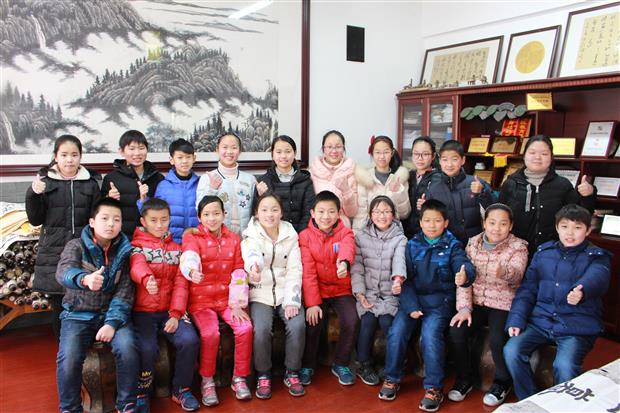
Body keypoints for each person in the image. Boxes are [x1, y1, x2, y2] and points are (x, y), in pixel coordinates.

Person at [504, 204, 611, 400]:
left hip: (576, 326)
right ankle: (529, 399)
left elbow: (598, 277)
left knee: (565, 366)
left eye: (577, 228)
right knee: (511, 350)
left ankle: (564, 406)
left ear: (588, 230)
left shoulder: (597, 256)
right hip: (540, 322)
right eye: (564, 226)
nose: (570, 233)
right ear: (556, 228)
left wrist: (582, 290)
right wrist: (516, 320)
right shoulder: (544, 253)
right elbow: (527, 290)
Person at [380, 199, 475, 412]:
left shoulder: (453, 245)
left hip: (440, 303)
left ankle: (434, 388)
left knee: (430, 336)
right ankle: (392, 377)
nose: (432, 225)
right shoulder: (412, 245)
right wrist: (411, 306)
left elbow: (464, 266)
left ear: (446, 222)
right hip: (413, 299)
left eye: (437, 221)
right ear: (420, 222)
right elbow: (405, 278)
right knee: (397, 332)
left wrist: (465, 275)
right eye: (428, 220)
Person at [55, 198, 138, 413]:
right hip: (78, 313)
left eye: (116, 220)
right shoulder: (76, 245)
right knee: (69, 358)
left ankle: (127, 404)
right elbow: (63, 273)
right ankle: (70, 408)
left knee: (128, 348)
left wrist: (112, 323)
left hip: (112, 314)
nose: (111, 224)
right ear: (92, 222)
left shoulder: (126, 250)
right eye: (105, 218)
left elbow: (125, 292)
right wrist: (84, 279)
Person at [448, 203, 528, 407]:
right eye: (492, 222)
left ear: (511, 226)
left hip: (503, 302)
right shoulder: (472, 243)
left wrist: (505, 272)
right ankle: (464, 379)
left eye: (503, 224)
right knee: (457, 331)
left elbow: (518, 275)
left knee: (497, 338)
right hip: (475, 302)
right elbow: (465, 278)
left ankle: (502, 382)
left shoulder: (518, 246)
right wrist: (464, 308)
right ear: (484, 223)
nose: (496, 228)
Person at [177, 195, 253, 406]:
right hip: (201, 302)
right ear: (199, 217)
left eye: (216, 213)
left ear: (224, 214)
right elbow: (189, 257)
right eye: (207, 214)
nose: (212, 218)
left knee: (245, 327)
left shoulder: (234, 239)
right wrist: (191, 271)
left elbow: (239, 270)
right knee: (210, 333)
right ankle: (207, 380)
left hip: (227, 300)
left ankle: (239, 378)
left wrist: (237, 303)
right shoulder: (192, 238)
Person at [25, 134, 101, 339]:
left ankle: (84, 345)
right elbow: (35, 219)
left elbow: (96, 219)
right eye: (64, 155)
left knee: (85, 299)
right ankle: (64, 347)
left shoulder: (90, 183)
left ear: (80, 157)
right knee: (59, 304)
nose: (69, 160)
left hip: (83, 250)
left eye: (74, 155)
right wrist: (33, 194)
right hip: (54, 252)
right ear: (56, 156)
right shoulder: (44, 182)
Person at [130, 198, 200, 412]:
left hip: (170, 311)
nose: (160, 225)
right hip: (143, 312)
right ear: (143, 221)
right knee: (147, 348)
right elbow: (136, 266)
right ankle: (142, 392)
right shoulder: (136, 246)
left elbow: (181, 284)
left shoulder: (177, 249)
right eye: (154, 220)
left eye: (164, 219)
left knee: (189, 340)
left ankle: (182, 389)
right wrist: (146, 279)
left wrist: (176, 314)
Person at [241, 193, 306, 399]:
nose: (270, 214)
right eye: (264, 210)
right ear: (256, 213)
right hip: (260, 291)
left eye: (274, 210)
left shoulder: (291, 235)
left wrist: (292, 300)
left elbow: (295, 269)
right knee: (260, 329)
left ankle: (292, 372)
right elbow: (251, 254)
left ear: (281, 212)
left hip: (287, 291)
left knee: (297, 324)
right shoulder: (250, 235)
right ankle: (263, 374)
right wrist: (254, 267)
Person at [298, 191, 358, 386]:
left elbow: (347, 249)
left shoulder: (346, 233)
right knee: (313, 322)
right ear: (312, 213)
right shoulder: (305, 237)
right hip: (318, 289)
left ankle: (341, 363)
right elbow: (308, 273)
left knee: (352, 320)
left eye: (331, 211)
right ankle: (307, 365)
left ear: (339, 213)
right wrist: (312, 303)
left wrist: (344, 263)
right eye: (321, 211)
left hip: (341, 289)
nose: (326, 216)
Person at [499, 135, 596, 255]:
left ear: (551, 157)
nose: (537, 157)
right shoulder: (510, 184)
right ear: (524, 155)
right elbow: (499, 216)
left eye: (544, 154)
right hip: (515, 253)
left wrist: (589, 195)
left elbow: (581, 217)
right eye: (532, 152)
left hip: (552, 253)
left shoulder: (563, 185)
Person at [351, 196, 407, 386]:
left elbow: (399, 261)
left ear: (393, 215)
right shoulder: (361, 237)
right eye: (377, 211)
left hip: (390, 293)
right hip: (367, 293)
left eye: (386, 211)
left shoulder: (400, 238)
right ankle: (363, 364)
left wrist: (398, 280)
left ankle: (392, 364)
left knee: (387, 322)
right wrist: (360, 294)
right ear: (370, 215)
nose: (381, 216)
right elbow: (357, 268)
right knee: (367, 322)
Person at [422, 140, 495, 245]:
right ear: (440, 161)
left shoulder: (477, 183)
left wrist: (482, 192)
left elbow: (495, 210)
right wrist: (423, 207)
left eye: (454, 159)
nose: (449, 164)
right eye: (445, 160)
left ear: (463, 160)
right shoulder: (433, 188)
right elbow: (429, 219)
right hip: (447, 246)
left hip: (475, 245)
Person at [101, 130, 164, 238]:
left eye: (141, 148)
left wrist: (145, 199)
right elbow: (100, 212)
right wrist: (109, 198)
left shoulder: (158, 178)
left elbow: (162, 210)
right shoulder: (111, 179)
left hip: (150, 237)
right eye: (132, 149)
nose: (137, 153)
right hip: (120, 238)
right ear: (121, 151)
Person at [137, 138, 199, 244]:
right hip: (170, 242)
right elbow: (153, 212)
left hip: (196, 241)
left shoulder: (200, 184)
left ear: (194, 158)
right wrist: (143, 199)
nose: (184, 161)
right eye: (180, 157)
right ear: (171, 160)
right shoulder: (163, 186)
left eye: (188, 157)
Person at [195, 133, 256, 235]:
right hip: (217, 237)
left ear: (240, 151)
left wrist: (262, 195)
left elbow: (257, 212)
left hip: (246, 237)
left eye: (234, 148)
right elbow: (200, 210)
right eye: (225, 147)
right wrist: (212, 189)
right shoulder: (207, 178)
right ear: (217, 150)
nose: (229, 151)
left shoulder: (250, 179)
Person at [255, 135, 315, 232]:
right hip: (271, 235)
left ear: (294, 153)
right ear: (272, 154)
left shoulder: (305, 180)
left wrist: (298, 235)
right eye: (279, 152)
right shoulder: (263, 181)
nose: (283, 156)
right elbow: (257, 214)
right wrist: (261, 196)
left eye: (288, 151)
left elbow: (308, 213)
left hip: (299, 235)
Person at [352, 135, 410, 231]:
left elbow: (404, 214)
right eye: (378, 152)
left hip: (393, 233)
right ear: (372, 153)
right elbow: (360, 215)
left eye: (386, 152)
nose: (382, 156)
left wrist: (397, 192)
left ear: (392, 153)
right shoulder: (364, 179)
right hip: (370, 233)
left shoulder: (399, 178)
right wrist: (358, 236)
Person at [309, 130, 358, 227]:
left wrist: (346, 190)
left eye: (338, 147)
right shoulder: (313, 173)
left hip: (341, 226)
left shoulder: (351, 172)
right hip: (317, 226)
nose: (334, 151)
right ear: (323, 149)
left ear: (343, 149)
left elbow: (352, 213)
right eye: (329, 147)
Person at [404, 136, 439, 238]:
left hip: (429, 234)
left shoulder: (439, 178)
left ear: (433, 156)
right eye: (416, 154)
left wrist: (429, 205)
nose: (420, 158)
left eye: (425, 154)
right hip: (406, 232)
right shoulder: (407, 176)